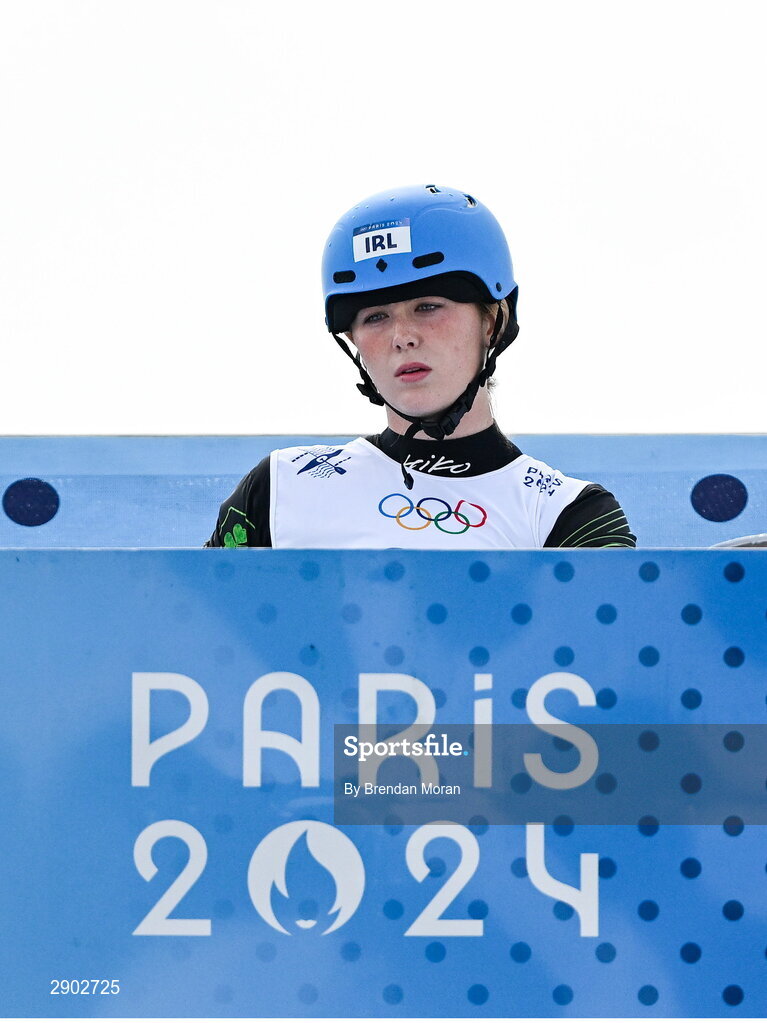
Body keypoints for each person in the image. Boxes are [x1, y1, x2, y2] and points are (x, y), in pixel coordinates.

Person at [206, 184, 635, 549]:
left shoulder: (568, 512)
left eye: (428, 306)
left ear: (494, 320)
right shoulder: (280, 487)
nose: (402, 336)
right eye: (375, 316)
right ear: (352, 340)